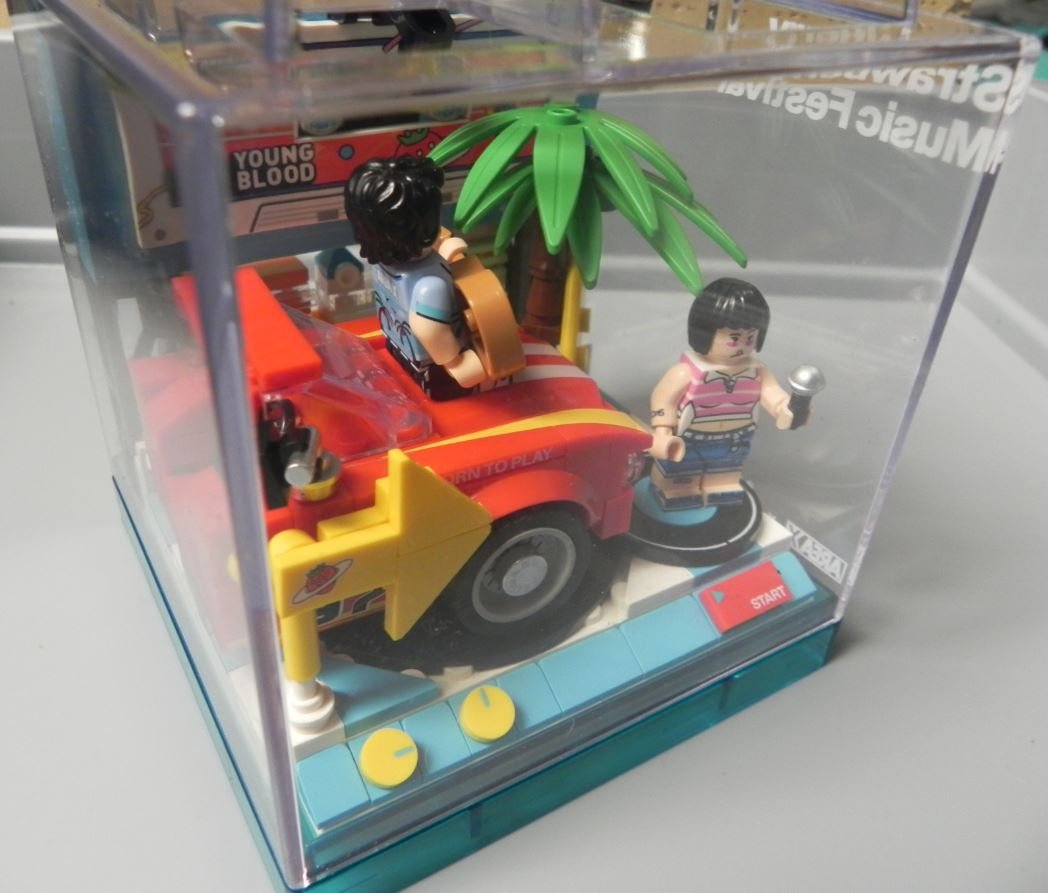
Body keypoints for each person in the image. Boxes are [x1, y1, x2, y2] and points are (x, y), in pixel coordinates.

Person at [344, 156, 487, 400]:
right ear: (424, 227)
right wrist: (456, 362)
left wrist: (442, 256)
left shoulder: (381, 263)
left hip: (397, 344)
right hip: (435, 365)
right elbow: (429, 328)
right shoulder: (430, 286)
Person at [648, 278, 798, 509]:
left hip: (736, 437)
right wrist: (662, 431)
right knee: (680, 474)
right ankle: (676, 492)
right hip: (690, 438)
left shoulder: (757, 371)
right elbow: (663, 399)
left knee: (725, 473)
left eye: (750, 337)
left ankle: (721, 490)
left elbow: (772, 393)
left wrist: (786, 407)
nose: (742, 345)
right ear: (705, 332)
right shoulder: (686, 372)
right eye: (734, 338)